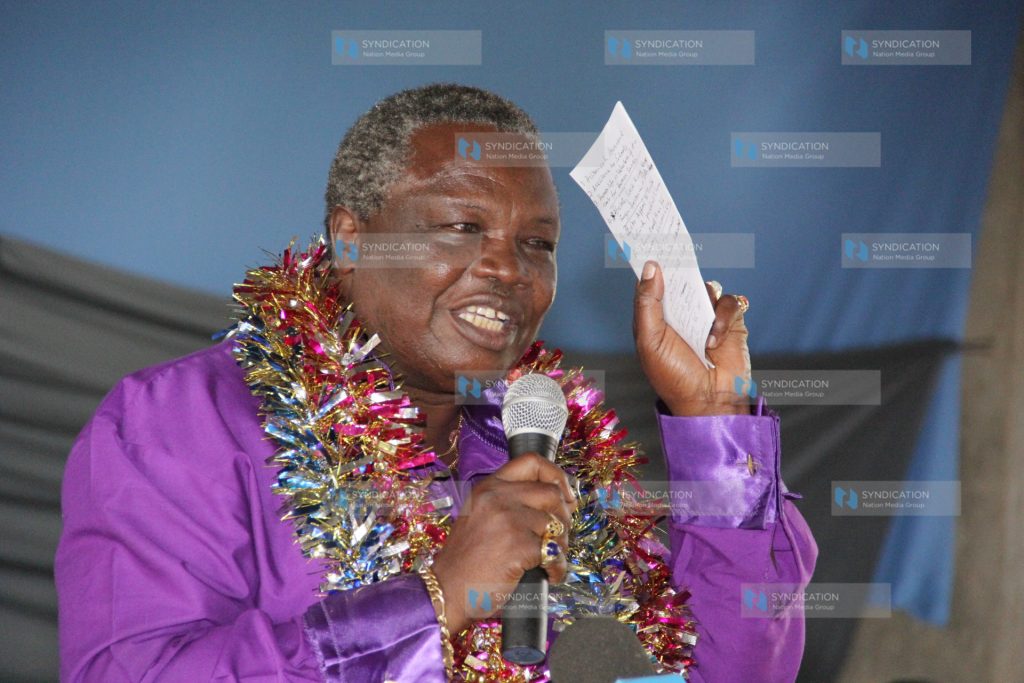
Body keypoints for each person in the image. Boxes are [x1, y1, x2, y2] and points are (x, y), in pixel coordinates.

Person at [55, 83, 816, 682]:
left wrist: (715, 420)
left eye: (537, 243)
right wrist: (436, 596)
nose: (510, 268)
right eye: (463, 228)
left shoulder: (549, 457)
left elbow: (733, 669)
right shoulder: (182, 421)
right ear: (352, 240)